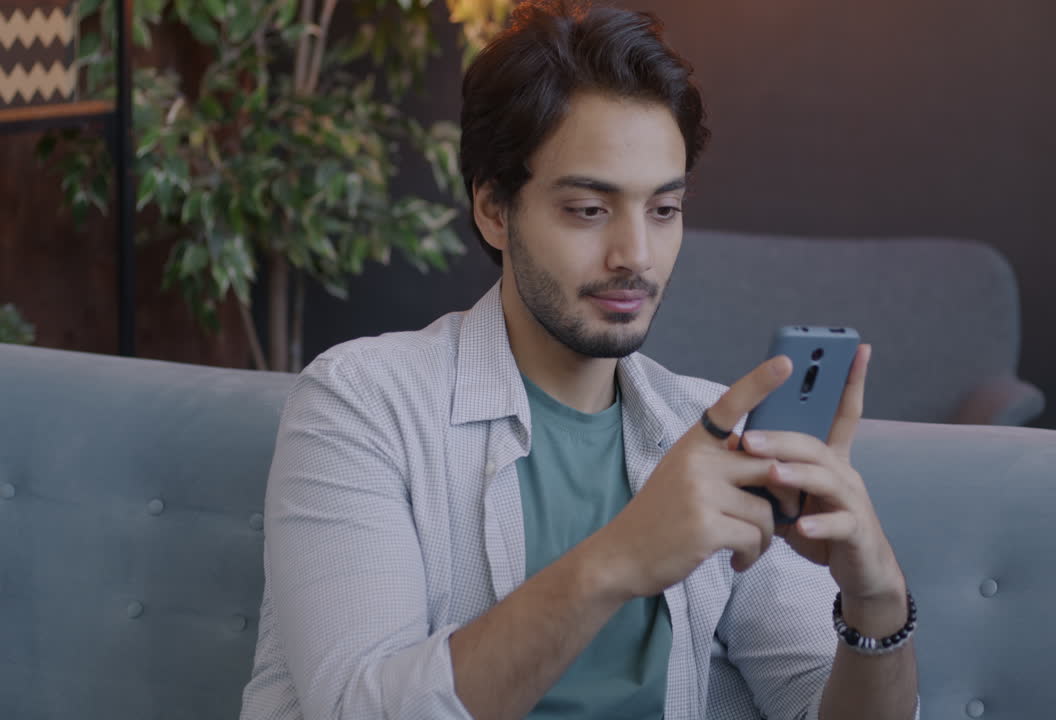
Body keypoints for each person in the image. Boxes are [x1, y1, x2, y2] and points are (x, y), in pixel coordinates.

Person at [239, 1, 919, 718]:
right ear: (495, 210)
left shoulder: (712, 434)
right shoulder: (362, 403)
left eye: (663, 210)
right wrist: (620, 558)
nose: (636, 256)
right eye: (589, 210)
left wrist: (877, 606)